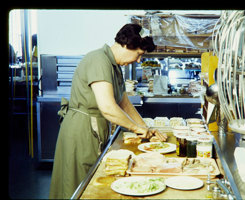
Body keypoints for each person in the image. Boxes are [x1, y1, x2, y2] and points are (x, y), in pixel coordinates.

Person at [49, 23, 167, 199]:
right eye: (139, 54)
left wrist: (146, 129)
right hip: (82, 131)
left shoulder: (115, 67)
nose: (138, 60)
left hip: (95, 128)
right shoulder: (99, 60)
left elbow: (124, 103)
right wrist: (136, 129)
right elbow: (108, 107)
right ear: (127, 45)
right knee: (79, 185)